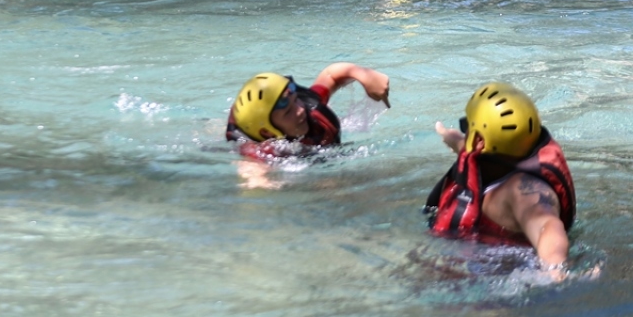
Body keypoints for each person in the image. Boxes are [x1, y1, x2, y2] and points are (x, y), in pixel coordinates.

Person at [426, 83, 577, 274]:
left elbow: (547, 225)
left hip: (506, 278)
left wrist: (556, 270)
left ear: (478, 140)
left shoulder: (522, 191)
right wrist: (453, 140)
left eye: (466, 127)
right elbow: (474, 153)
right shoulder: (499, 159)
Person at [226, 64, 391, 162]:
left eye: (296, 100)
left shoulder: (310, 108)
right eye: (288, 112)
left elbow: (331, 75)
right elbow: (252, 173)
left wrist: (364, 75)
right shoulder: (261, 152)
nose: (300, 110)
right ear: (268, 132)